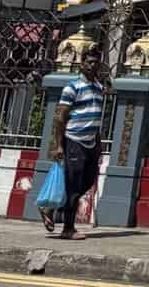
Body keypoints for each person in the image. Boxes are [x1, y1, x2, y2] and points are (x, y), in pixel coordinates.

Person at [46, 46, 106, 239]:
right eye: (89, 62)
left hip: (91, 142)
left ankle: (52, 209)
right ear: (81, 65)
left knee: (88, 180)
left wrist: (98, 141)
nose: (92, 65)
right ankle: (68, 229)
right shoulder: (72, 87)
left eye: (96, 62)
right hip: (74, 141)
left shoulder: (98, 87)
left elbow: (96, 117)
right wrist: (58, 144)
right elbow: (60, 117)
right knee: (73, 184)